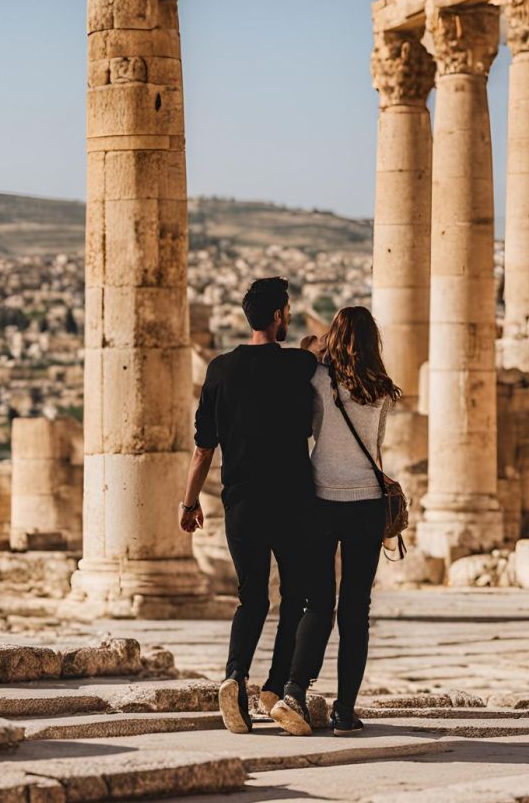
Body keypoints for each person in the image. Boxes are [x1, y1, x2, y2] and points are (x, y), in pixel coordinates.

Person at [179, 276, 317, 734]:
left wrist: (189, 502)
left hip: (242, 503)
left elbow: (203, 449)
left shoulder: (219, 369)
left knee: (252, 598)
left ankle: (235, 676)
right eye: (288, 309)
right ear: (278, 316)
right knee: (295, 597)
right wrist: (310, 349)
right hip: (293, 501)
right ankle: (276, 688)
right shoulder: (299, 366)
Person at [270, 306, 402, 736]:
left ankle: (294, 691)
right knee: (356, 611)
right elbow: (376, 446)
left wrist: (315, 349)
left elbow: (307, 428)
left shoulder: (319, 381)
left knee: (318, 602)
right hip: (366, 503)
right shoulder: (382, 388)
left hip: (321, 499)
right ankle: (345, 711)